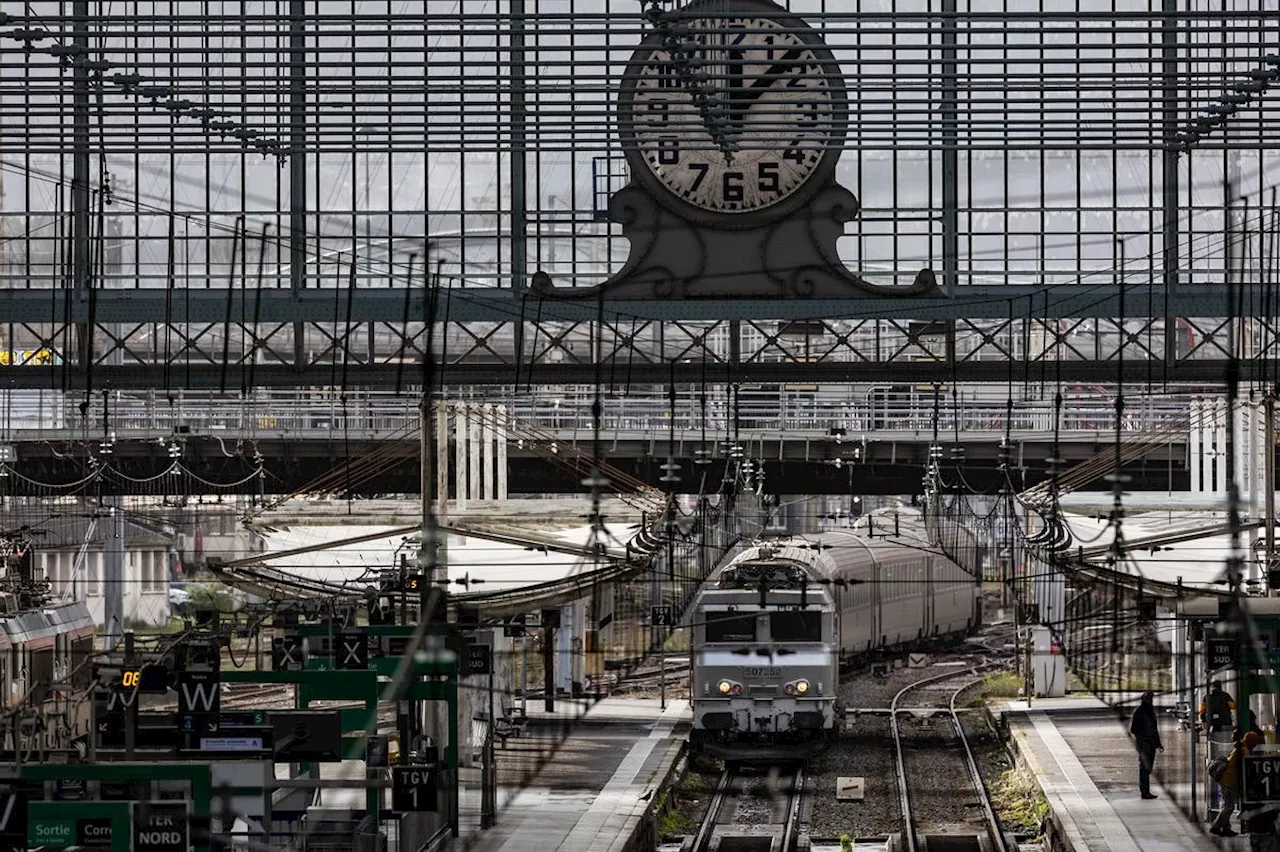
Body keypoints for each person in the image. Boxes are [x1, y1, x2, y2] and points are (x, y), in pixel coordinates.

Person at [1211, 730, 1265, 837]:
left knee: (1228, 806)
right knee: (1229, 807)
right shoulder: (1244, 750)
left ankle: (1226, 828)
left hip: (1227, 780)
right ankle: (1216, 826)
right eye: (1255, 743)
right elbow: (1248, 765)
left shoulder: (1240, 748)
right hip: (1229, 782)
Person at [1129, 691, 1164, 799]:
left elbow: (1154, 729)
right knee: (1144, 768)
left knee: (1148, 768)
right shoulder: (1139, 712)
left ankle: (1146, 790)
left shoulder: (1150, 711)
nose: (1151, 700)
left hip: (1151, 744)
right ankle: (1144, 791)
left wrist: (1158, 743)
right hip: (1144, 744)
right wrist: (1142, 739)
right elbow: (1133, 729)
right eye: (1149, 698)